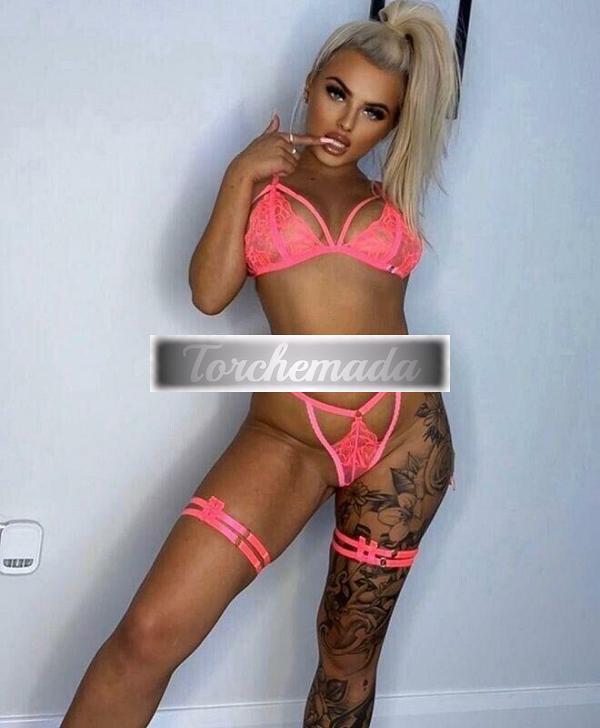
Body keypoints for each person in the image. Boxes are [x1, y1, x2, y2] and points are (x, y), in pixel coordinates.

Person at [61, 1, 461, 725]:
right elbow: (209, 295)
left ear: (392, 126)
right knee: (149, 635)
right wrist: (240, 173)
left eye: (373, 112)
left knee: (346, 659)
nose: (346, 122)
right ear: (311, 83)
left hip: (406, 438)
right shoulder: (262, 182)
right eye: (337, 93)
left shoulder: (392, 193)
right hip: (289, 436)